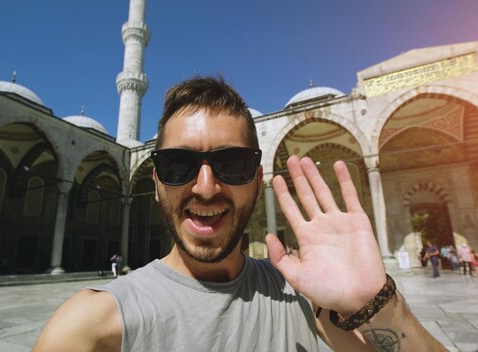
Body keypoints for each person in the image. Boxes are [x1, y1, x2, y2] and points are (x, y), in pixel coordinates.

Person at [34, 76, 445, 351]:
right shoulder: (91, 323)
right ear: (156, 181)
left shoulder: (302, 298)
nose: (206, 187)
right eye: (179, 165)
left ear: (258, 178)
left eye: (233, 164)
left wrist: (378, 303)